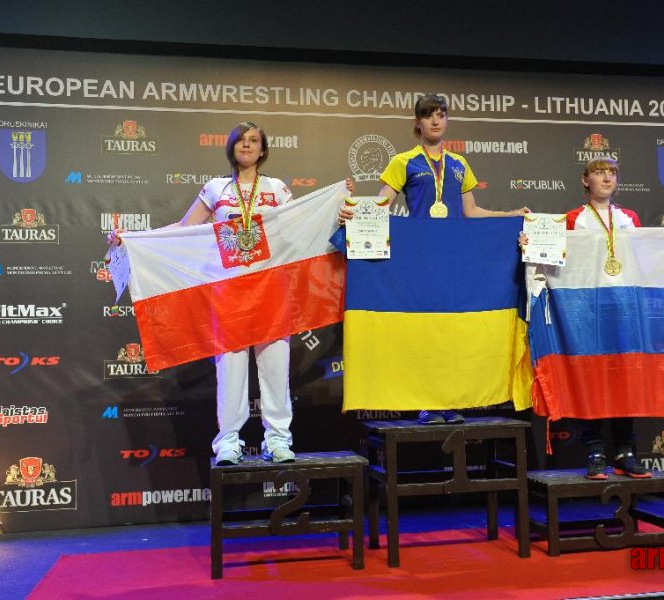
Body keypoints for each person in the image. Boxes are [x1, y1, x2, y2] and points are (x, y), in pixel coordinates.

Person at [109, 121, 355, 465]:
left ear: (263, 150)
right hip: (229, 296)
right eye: (241, 140)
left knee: (275, 371)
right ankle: (228, 443)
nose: (247, 145)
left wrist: (336, 205)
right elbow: (184, 228)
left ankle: (279, 441)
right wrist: (132, 241)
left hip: (271, 292)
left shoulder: (277, 188)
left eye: (254, 140)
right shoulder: (216, 188)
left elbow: (301, 226)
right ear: (231, 147)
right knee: (231, 376)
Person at [338, 93, 527, 425]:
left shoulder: (459, 164)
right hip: (422, 256)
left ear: (447, 121)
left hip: (454, 258)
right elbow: (382, 205)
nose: (436, 120)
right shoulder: (403, 161)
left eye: (441, 115)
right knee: (424, 331)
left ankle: (450, 401)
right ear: (418, 123)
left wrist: (509, 214)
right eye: (429, 115)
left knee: (450, 332)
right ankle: (427, 403)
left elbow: (471, 211)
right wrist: (353, 211)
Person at [566, 159, 650, 481]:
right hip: (589, 310)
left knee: (624, 378)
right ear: (585, 180)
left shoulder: (629, 218)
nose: (607, 177)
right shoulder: (574, 219)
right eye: (599, 172)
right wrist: (533, 248)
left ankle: (625, 451)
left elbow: (644, 258)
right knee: (593, 379)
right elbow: (559, 259)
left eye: (612, 172)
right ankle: (595, 450)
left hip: (625, 308)